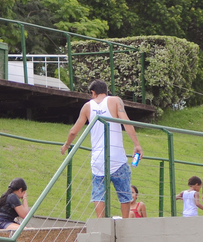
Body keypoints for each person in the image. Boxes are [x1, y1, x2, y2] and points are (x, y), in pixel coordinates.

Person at [61, 79, 143, 218]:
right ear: (106, 91)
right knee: (124, 194)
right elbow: (126, 123)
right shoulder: (115, 101)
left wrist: (66, 145)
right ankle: (125, 223)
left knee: (98, 194)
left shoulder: (87, 107)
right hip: (117, 158)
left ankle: (101, 223)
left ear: (93, 93)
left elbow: (73, 131)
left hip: (98, 160)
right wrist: (137, 144)